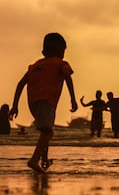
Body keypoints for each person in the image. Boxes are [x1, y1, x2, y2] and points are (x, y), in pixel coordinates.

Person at [9, 33, 78, 172]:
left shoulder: (35, 65)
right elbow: (68, 78)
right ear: (60, 51)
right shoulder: (61, 63)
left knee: (45, 131)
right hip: (47, 101)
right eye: (63, 51)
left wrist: (15, 105)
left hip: (34, 103)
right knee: (48, 133)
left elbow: (20, 84)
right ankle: (34, 160)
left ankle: (44, 159)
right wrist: (73, 99)